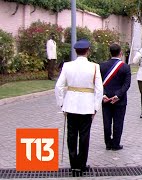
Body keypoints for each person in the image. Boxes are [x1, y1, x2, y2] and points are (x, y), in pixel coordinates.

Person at [55, 39, 103, 177]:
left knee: (71, 135)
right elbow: (99, 89)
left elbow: (58, 87)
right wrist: (96, 107)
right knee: (84, 136)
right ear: (87, 51)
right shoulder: (94, 67)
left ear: (76, 51)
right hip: (87, 106)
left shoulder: (67, 66)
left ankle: (73, 165)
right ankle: (81, 165)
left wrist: (62, 104)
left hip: (70, 105)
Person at [100, 43, 131, 151]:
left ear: (110, 52)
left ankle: (108, 143)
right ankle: (116, 144)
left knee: (107, 122)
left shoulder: (102, 65)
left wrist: (104, 95)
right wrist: (117, 95)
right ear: (120, 53)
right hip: (120, 100)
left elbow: (99, 84)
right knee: (118, 122)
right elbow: (127, 84)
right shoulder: (125, 67)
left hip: (105, 99)